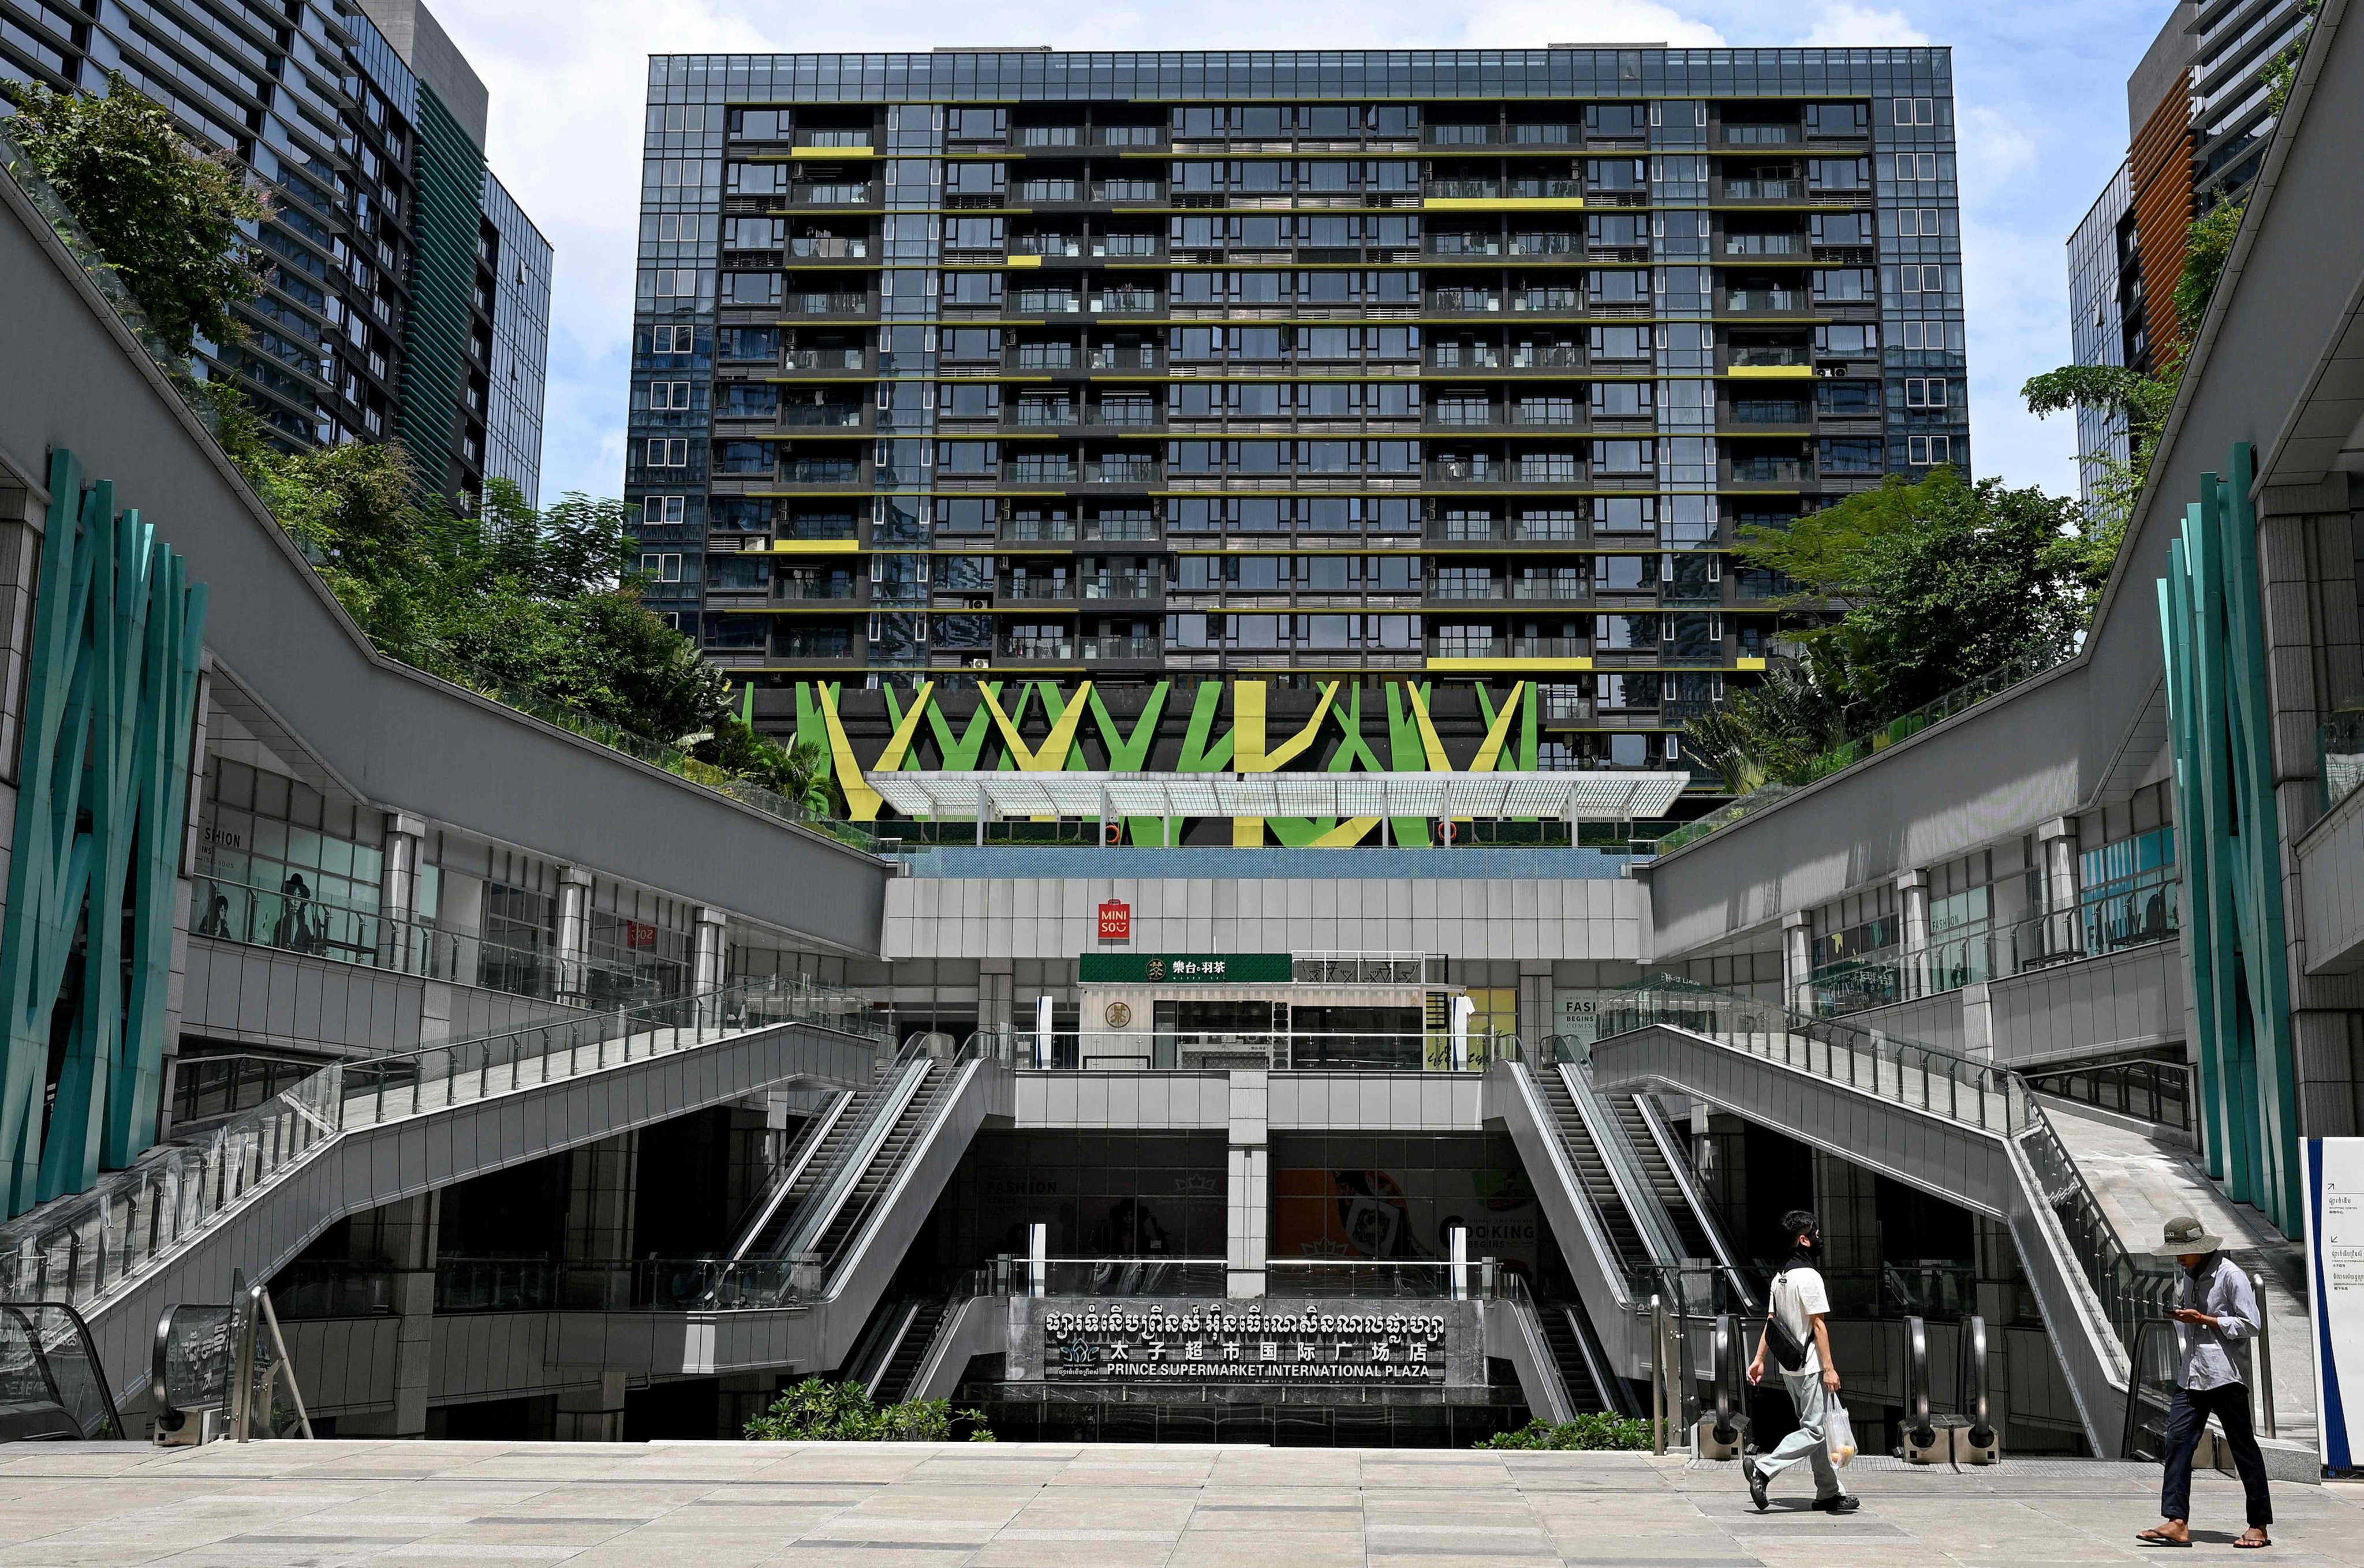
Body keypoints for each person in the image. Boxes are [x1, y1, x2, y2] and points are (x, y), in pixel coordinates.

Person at [2138, 1215, 2272, 1550]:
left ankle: (2259, 1525)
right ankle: (2177, 1521)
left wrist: (2206, 1320)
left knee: (2243, 1448)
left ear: (2200, 1249)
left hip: (2226, 1374)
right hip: (2192, 1374)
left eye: (2183, 1252)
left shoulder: (2232, 1277)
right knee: (2178, 1441)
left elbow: (2252, 1325)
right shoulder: (2188, 1275)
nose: (2179, 1258)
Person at [1744, 1208, 1858, 1514]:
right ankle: (1764, 1468)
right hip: (1810, 1367)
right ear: (1804, 1240)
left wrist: (1758, 1361)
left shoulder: (1780, 1277)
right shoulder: (1810, 1278)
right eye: (1816, 1234)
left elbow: (1772, 1324)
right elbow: (1819, 1325)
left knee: (1814, 1428)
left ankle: (1829, 1492)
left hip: (1788, 1368)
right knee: (1815, 1431)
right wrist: (1830, 1369)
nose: (1820, 1238)